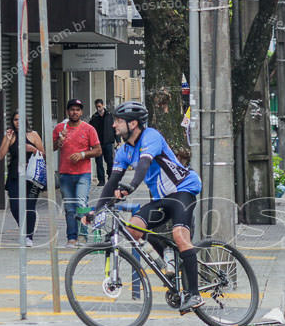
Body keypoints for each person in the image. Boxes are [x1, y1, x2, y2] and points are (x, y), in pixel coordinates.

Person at [87, 101, 204, 313]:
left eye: (119, 121)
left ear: (133, 123)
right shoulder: (123, 150)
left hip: (183, 189)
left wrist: (130, 187)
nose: (114, 126)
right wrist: (96, 210)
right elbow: (111, 183)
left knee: (179, 235)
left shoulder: (151, 136)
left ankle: (194, 294)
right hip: (162, 198)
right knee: (133, 228)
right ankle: (166, 257)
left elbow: (143, 165)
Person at [53, 99, 101, 248]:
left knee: (81, 203)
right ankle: (71, 238)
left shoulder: (89, 129)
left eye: (78, 110)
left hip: (83, 174)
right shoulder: (60, 128)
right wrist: (59, 141)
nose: (75, 112)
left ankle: (83, 236)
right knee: (69, 207)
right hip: (65, 174)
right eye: (72, 109)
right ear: (68, 111)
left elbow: (98, 150)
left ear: (81, 112)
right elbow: (51, 148)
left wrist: (82, 154)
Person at [0, 111, 44, 247]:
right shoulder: (11, 136)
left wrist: (34, 150)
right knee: (15, 206)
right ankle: (24, 229)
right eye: (15, 119)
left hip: (32, 178)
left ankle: (28, 236)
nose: (18, 122)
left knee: (29, 206)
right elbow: (0, 155)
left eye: (20, 119)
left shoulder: (33, 135)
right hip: (15, 176)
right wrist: (7, 138)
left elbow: (44, 155)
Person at [88, 99, 119, 186]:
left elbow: (115, 128)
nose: (98, 108)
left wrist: (118, 140)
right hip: (97, 144)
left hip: (108, 142)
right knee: (98, 162)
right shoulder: (94, 117)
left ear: (103, 105)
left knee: (109, 161)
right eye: (97, 107)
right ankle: (101, 180)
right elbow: (90, 130)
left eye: (99, 106)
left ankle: (110, 178)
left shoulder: (110, 116)